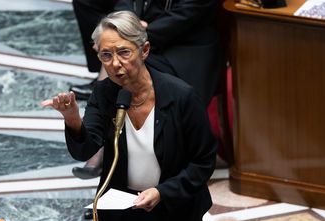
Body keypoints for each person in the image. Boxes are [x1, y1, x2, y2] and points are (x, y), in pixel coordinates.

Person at [42, 10, 216, 221]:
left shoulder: (181, 96)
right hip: (122, 215)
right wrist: (72, 118)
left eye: (124, 52)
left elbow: (203, 162)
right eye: (106, 55)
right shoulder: (104, 94)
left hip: (174, 212)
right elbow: (84, 150)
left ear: (144, 51)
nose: (115, 64)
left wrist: (162, 192)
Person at [70, 0, 224, 179]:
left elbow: (188, 14)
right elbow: (125, 2)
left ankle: (102, 149)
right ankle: (104, 145)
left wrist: (136, 35)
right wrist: (125, 27)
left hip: (185, 43)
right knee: (119, 52)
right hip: (145, 34)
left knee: (124, 57)